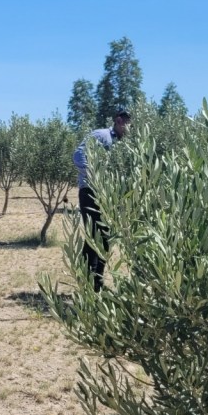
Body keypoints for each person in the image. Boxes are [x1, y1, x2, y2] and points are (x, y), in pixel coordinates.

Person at [72, 110, 131, 292]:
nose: (130, 129)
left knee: (105, 238)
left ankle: (96, 284)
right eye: (128, 124)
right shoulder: (101, 135)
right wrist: (95, 177)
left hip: (107, 196)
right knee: (93, 236)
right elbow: (78, 156)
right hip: (91, 191)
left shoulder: (122, 145)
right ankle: (87, 285)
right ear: (119, 121)